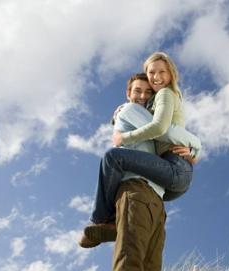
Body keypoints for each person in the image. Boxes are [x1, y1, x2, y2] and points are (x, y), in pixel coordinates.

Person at [83, 52, 201, 245]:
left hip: (176, 168)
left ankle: (100, 220)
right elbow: (159, 127)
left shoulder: (164, 94)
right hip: (170, 182)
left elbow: (162, 129)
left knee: (113, 157)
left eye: (162, 71)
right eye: (152, 72)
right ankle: (107, 221)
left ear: (171, 73)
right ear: (128, 93)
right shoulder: (149, 105)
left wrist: (197, 145)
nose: (156, 77)